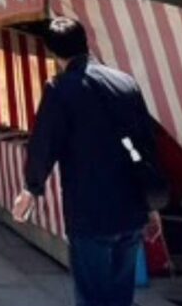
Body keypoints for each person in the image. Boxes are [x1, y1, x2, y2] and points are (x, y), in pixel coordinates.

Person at [12, 17, 160, 306]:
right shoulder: (126, 82)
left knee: (92, 296)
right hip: (132, 205)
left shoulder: (60, 89)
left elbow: (44, 143)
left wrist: (30, 189)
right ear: (86, 41)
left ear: (53, 52)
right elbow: (147, 146)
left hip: (89, 209)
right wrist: (151, 204)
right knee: (121, 296)